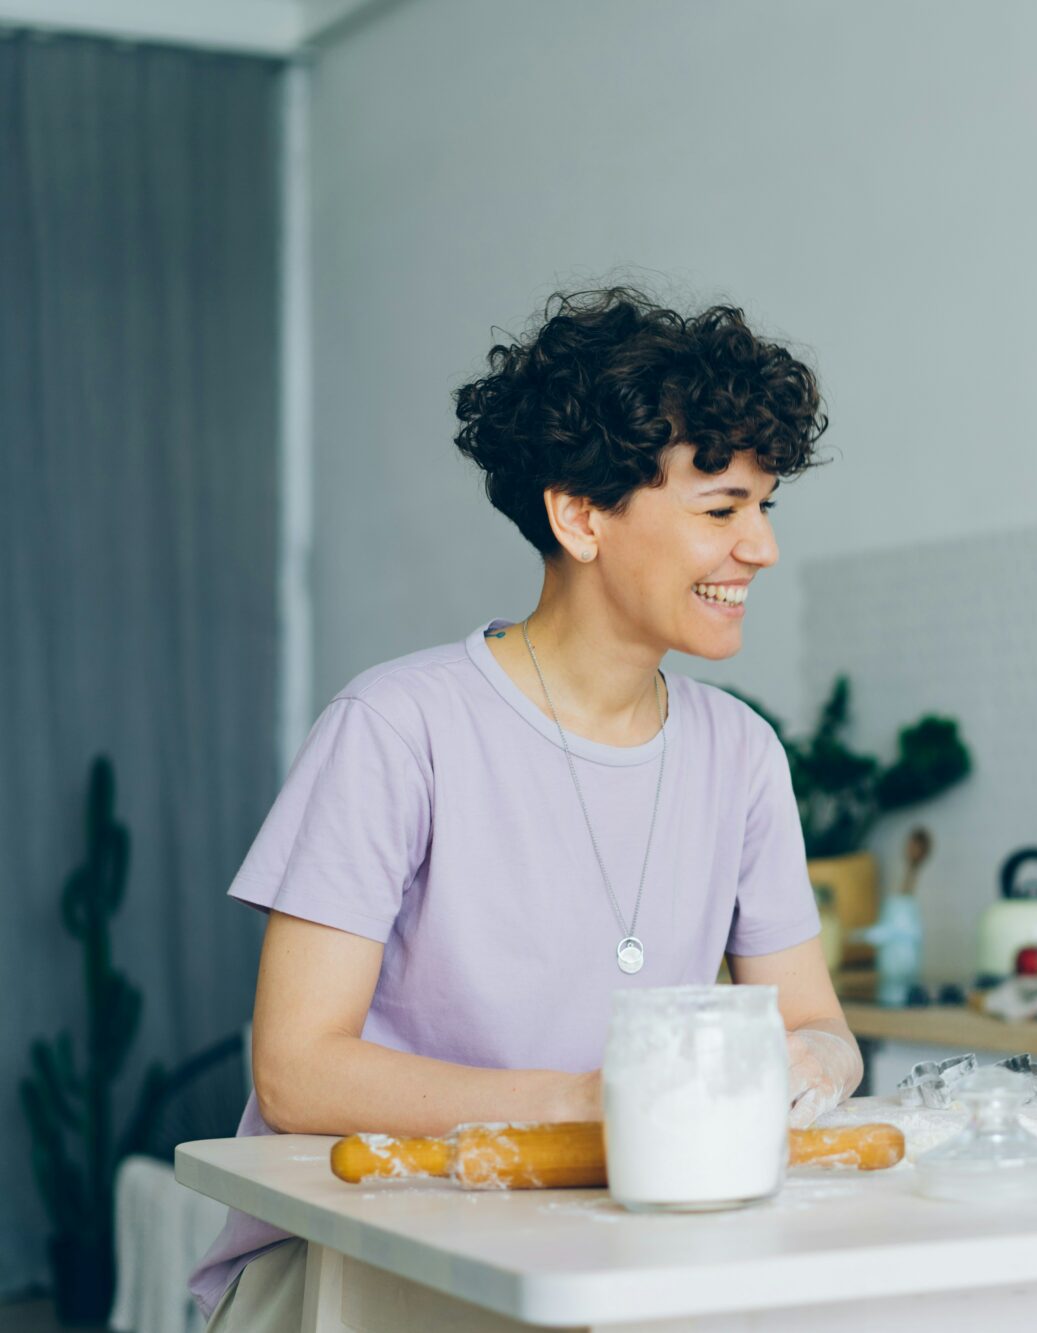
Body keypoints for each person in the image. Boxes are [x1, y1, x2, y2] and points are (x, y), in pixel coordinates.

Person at [191, 288, 863, 1330]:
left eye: (765, 507)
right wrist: (589, 1102)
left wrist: (815, 1061)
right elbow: (296, 1069)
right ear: (580, 515)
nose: (760, 547)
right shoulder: (396, 726)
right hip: (372, 1258)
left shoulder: (740, 754)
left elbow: (814, 1018)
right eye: (723, 509)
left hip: (603, 1254)